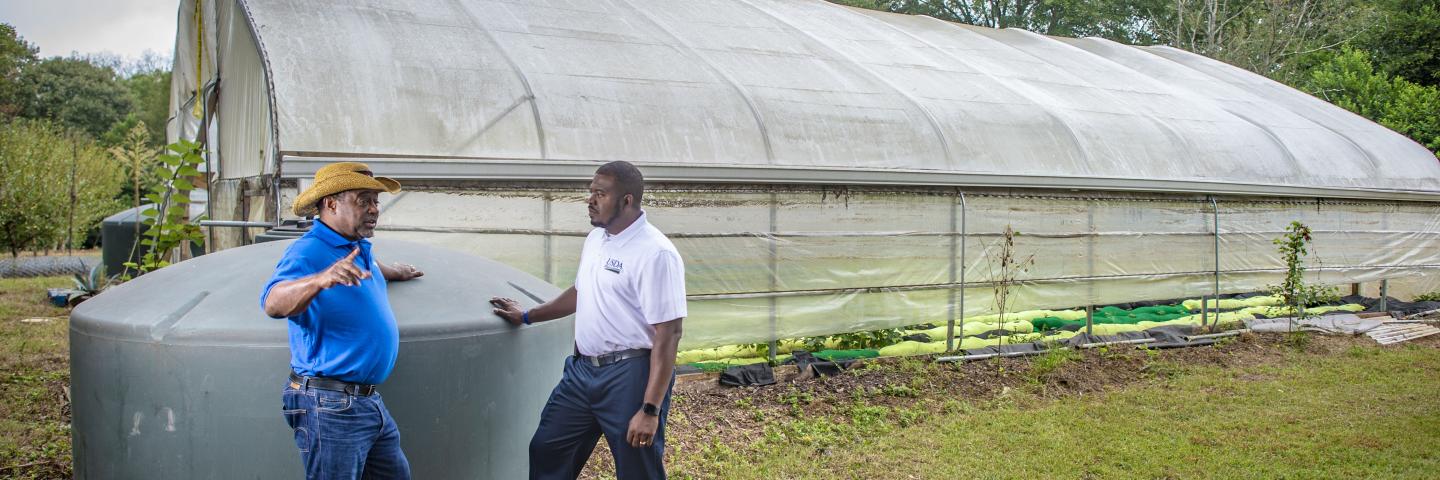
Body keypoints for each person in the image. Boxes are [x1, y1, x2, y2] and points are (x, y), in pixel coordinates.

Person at [491, 161, 686, 480]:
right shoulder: (597, 239)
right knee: (547, 449)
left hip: (630, 375)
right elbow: (582, 292)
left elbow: (669, 333)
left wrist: (650, 409)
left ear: (626, 200)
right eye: (590, 192)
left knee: (637, 468)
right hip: (582, 372)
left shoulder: (655, 253)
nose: (590, 200)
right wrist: (527, 315)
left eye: (600, 193)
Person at [261, 161, 424, 479]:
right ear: (331, 203)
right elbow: (273, 303)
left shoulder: (355, 247)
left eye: (376, 201)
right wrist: (321, 280)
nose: (374, 209)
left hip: (365, 401)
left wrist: (392, 271)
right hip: (329, 404)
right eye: (364, 200)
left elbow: (369, 266)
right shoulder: (308, 252)